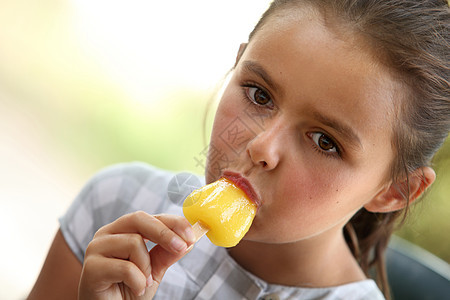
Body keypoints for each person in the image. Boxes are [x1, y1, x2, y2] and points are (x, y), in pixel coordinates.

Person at [28, 0, 449, 299]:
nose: (260, 146)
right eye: (259, 94)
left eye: (325, 141)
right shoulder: (118, 203)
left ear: (393, 191)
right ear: (237, 63)